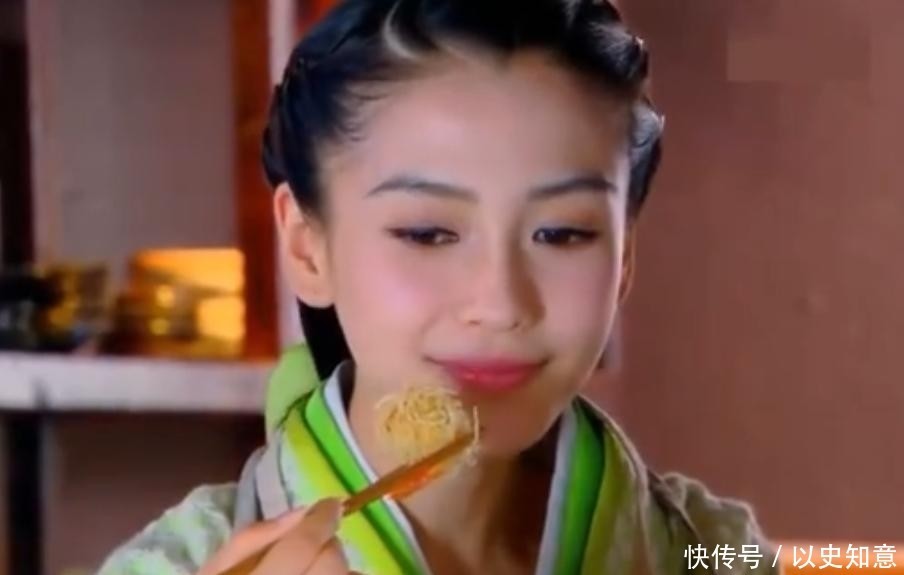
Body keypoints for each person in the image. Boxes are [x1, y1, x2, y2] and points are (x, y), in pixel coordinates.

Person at [99, 0, 778, 573]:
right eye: (427, 233)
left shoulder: (713, 550)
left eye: (562, 233)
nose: (501, 305)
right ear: (307, 245)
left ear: (624, 257)